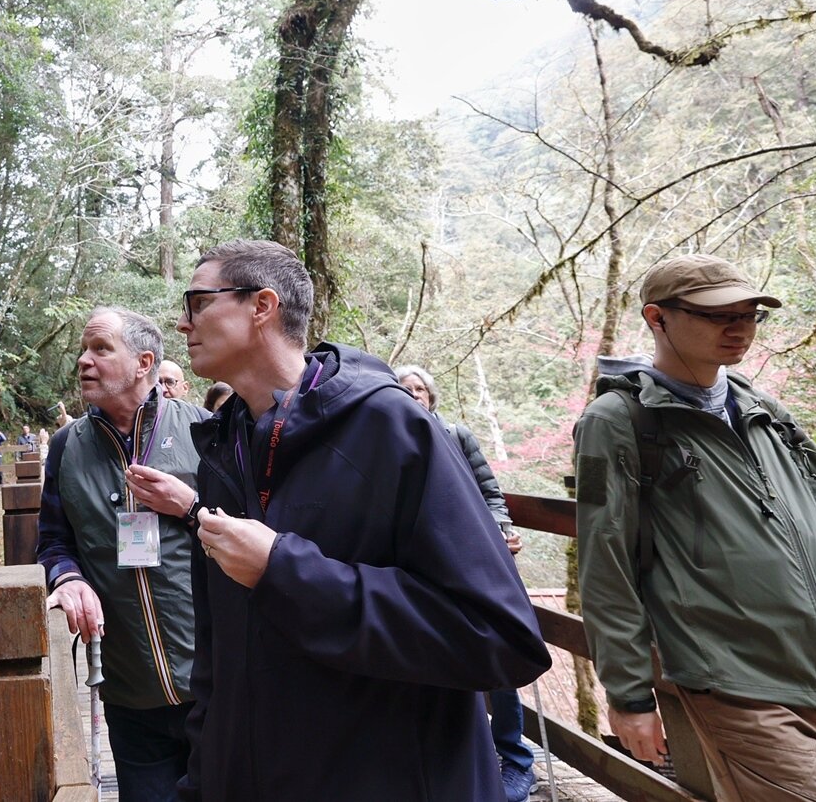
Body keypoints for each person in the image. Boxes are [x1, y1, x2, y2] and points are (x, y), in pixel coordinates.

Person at [172, 239, 549, 801]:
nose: (183, 322)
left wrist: (285, 570)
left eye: (198, 302)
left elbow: (499, 638)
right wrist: (202, 780)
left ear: (261, 306)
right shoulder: (224, 448)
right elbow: (218, 658)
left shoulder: (390, 428)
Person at [575, 253, 816, 801]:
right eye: (717, 315)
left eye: (750, 314)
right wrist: (629, 696)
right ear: (658, 318)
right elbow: (607, 561)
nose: (739, 328)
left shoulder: (760, 406)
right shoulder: (620, 422)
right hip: (741, 686)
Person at [37, 307, 210, 802]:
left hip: (213, 686)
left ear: (143, 362)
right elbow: (53, 540)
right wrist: (66, 578)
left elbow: (247, 533)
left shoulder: (204, 430)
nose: (83, 360)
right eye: (83, 349)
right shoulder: (68, 447)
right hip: (129, 690)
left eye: (100, 349)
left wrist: (189, 505)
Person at [395, 363, 535, 802]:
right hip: (428, 571)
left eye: (420, 388)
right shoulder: (390, 439)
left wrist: (497, 529)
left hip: (477, 564)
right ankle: (463, 761)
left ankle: (515, 760)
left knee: (498, 660)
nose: (413, 394)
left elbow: (492, 494)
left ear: (431, 396)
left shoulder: (455, 435)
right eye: (404, 388)